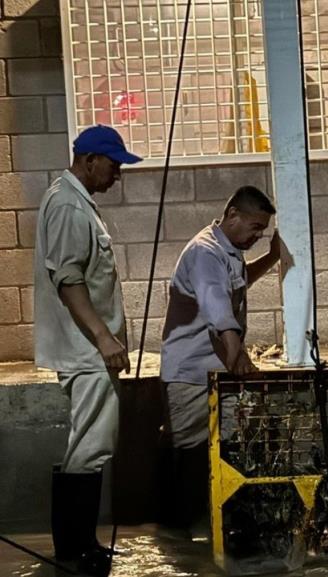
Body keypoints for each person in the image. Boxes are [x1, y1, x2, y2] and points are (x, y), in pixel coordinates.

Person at [34, 125, 142, 576]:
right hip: (86, 349)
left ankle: (81, 544)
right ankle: (76, 552)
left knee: (89, 442)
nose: (117, 174)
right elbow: (69, 280)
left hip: (89, 348)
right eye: (114, 164)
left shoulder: (74, 201)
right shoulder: (66, 204)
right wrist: (103, 338)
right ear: (90, 159)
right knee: (91, 445)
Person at [159, 185, 280, 539]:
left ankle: (213, 530)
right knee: (189, 454)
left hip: (213, 370)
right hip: (190, 373)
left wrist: (272, 258)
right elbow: (217, 305)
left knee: (221, 451)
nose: (258, 236)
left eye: (263, 230)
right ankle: (179, 539)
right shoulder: (205, 252)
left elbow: (234, 285)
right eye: (255, 227)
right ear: (232, 215)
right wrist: (237, 354)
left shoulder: (228, 250)